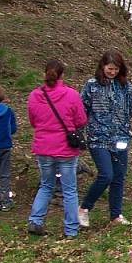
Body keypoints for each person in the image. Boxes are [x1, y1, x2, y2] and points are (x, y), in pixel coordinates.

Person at [78, 50, 132, 227]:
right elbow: (80, 111)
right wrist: (77, 133)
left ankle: (116, 216)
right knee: (106, 175)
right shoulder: (92, 86)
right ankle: (84, 208)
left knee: (119, 177)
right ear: (102, 67)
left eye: (116, 69)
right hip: (97, 139)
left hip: (120, 138)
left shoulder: (126, 87)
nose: (112, 72)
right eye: (110, 68)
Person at [26, 60, 87, 237]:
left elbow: (33, 121)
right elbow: (81, 120)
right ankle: (71, 229)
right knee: (69, 189)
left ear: (44, 74)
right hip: (65, 149)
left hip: (43, 148)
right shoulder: (71, 95)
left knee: (46, 185)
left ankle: (35, 220)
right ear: (62, 75)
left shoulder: (34, 96)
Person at [0, 85, 17, 211]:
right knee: (4, 174)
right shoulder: (8, 111)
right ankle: (5, 201)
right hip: (5, 146)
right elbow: (14, 128)